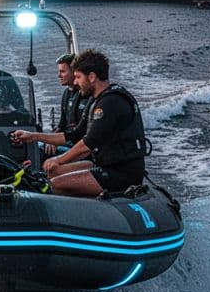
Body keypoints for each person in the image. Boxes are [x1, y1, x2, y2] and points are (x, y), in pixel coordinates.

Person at [39, 49, 148, 197]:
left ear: (91, 77)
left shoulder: (110, 102)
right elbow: (76, 133)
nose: (76, 82)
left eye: (78, 77)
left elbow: (88, 143)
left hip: (120, 173)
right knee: (53, 172)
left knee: (54, 184)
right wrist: (34, 137)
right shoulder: (98, 100)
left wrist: (58, 159)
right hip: (103, 164)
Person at [9, 53, 86, 154]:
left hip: (77, 146)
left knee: (38, 151)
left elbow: (78, 133)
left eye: (62, 71)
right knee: (31, 146)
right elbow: (61, 126)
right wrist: (51, 140)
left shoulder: (87, 95)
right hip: (66, 140)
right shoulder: (67, 93)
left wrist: (51, 140)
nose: (59, 75)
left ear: (74, 72)